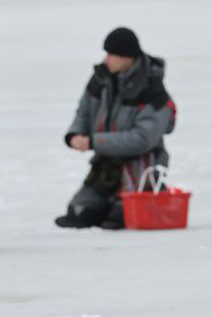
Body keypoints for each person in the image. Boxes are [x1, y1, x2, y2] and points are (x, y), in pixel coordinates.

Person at [56, 28, 176, 230]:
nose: (106, 59)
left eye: (112, 55)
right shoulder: (101, 79)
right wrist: (75, 134)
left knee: (119, 218)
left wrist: (95, 141)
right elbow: (84, 111)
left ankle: (138, 196)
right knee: (78, 214)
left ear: (128, 58)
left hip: (142, 164)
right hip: (107, 163)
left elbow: (142, 139)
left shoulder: (153, 92)